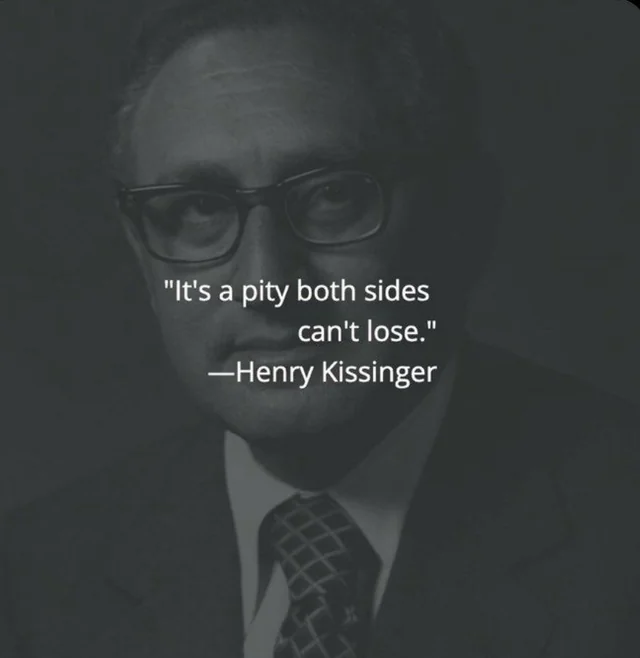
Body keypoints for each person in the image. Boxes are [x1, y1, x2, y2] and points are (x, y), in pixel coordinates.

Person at [1, 0, 639, 656]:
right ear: (143, 252)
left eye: (333, 196)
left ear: (464, 219)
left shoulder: (620, 539)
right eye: (198, 209)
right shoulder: (30, 582)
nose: (267, 283)